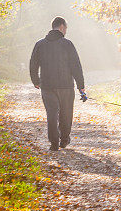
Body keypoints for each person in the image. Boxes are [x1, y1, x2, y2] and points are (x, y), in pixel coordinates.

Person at [29, 16, 86, 151]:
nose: (66, 31)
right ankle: (64, 139)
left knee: (52, 114)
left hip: (47, 86)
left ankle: (54, 142)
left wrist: (36, 81)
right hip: (66, 86)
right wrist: (80, 85)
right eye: (66, 28)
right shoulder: (67, 44)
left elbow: (33, 64)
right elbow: (76, 65)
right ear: (62, 27)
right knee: (66, 113)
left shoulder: (40, 44)